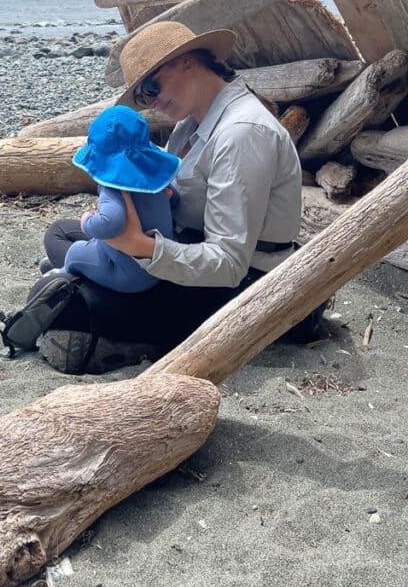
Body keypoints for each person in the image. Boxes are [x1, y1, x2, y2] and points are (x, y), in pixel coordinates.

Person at [36, 20, 320, 374]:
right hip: (185, 246)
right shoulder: (190, 124)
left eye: (151, 87)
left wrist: (140, 246)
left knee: (69, 304)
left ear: (187, 60)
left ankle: (102, 289)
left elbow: (230, 264)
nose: (151, 103)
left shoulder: (242, 133)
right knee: (60, 234)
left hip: (242, 281)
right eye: (142, 97)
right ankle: (99, 279)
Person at [56, 105, 181, 293]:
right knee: (75, 237)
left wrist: (86, 220)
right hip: (160, 265)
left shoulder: (113, 188)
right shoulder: (155, 178)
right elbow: (175, 199)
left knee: (75, 251)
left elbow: (110, 223)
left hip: (129, 276)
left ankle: (65, 273)